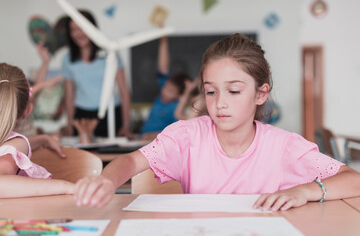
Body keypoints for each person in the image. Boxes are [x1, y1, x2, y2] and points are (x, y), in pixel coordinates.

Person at [73, 33, 360, 211]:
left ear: (261, 94)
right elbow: (132, 162)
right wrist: (108, 181)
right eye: (210, 91)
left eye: (234, 91)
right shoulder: (187, 136)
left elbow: (353, 180)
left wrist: (304, 190)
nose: (219, 102)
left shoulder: (284, 146)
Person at [0, 63, 74, 198]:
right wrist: (66, 186)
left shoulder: (12, 145)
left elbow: (7, 149)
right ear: (27, 111)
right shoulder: (16, 144)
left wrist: (42, 139)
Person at [62, 10, 132, 138]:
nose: (78, 33)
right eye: (73, 29)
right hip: (82, 117)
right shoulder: (68, 60)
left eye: (82, 28)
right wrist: (69, 125)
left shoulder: (110, 53)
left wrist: (126, 125)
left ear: (92, 28)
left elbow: (124, 91)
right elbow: (69, 96)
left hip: (110, 113)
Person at [140, 36, 188, 140]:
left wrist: (150, 136)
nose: (165, 91)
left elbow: (176, 134)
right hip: (140, 140)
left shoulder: (176, 109)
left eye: (170, 91)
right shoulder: (162, 96)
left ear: (179, 96)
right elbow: (163, 67)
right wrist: (163, 41)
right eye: (165, 87)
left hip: (155, 143)